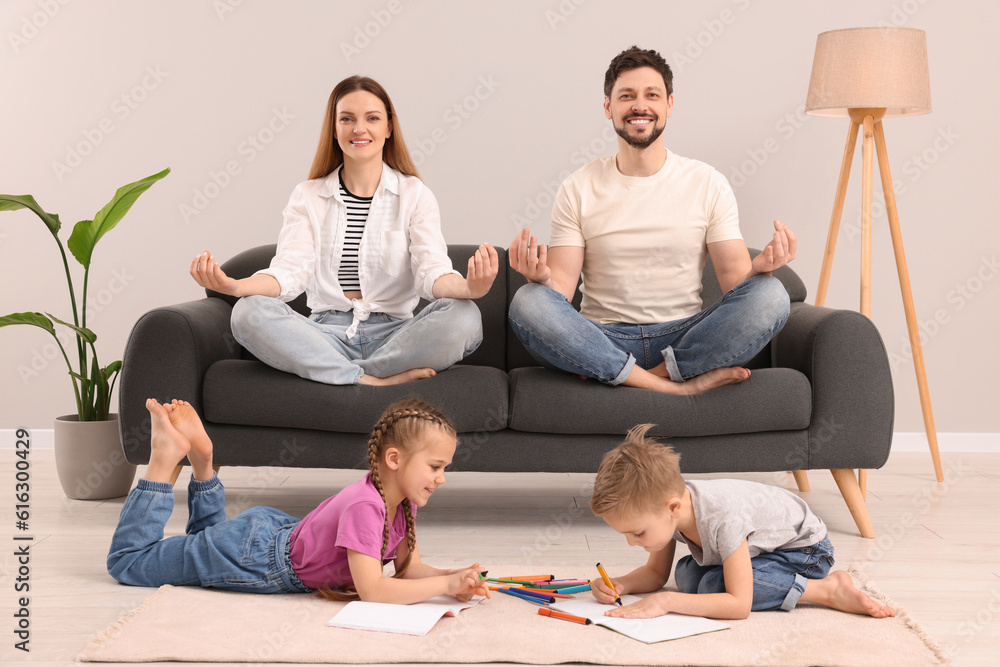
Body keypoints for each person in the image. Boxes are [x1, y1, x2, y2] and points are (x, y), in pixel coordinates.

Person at [508, 45, 794, 395]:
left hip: (685, 335)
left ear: (669, 105)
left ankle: (647, 375)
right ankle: (676, 385)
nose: (639, 106)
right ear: (608, 107)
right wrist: (540, 279)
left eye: (652, 95)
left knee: (771, 294)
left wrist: (760, 270)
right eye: (626, 96)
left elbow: (736, 283)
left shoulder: (707, 182)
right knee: (529, 301)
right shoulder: (578, 186)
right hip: (601, 338)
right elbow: (561, 291)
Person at [191, 76, 499, 386]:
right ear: (334, 128)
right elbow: (288, 272)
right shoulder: (307, 196)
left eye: (372, 118)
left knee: (465, 317)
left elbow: (431, 273)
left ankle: (339, 373)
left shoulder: (415, 195)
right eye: (347, 119)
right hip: (325, 335)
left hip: (396, 336)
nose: (359, 129)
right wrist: (235, 286)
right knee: (247, 312)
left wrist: (470, 288)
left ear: (389, 128)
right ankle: (371, 378)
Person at [107, 398, 491, 604]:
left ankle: (203, 462)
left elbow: (408, 570)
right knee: (129, 562)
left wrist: (453, 577)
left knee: (205, 544)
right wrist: (444, 585)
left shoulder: (402, 502)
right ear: (394, 459)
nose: (442, 478)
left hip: (270, 536)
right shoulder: (366, 507)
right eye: (435, 467)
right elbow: (374, 590)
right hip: (256, 558)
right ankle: (163, 462)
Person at [588, 424, 896, 620]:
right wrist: (621, 584)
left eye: (638, 533)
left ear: (673, 508)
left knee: (712, 586)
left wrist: (666, 602)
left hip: (804, 552)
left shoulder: (722, 518)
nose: (632, 542)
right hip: (761, 550)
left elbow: (739, 606)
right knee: (687, 575)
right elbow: (656, 574)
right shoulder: (669, 507)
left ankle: (828, 589)